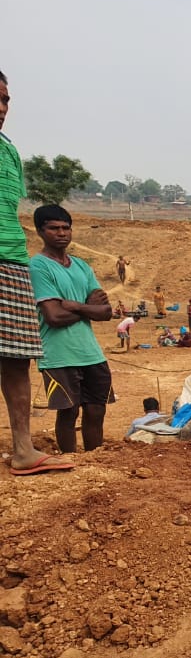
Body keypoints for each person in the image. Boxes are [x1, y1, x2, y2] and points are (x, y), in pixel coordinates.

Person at [1, 70, 74, 475]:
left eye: (6, 99)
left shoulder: (9, 152)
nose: (1, 108)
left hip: (9, 257)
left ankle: (23, 449)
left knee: (15, 356)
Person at [28, 205, 114, 454]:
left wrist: (75, 305)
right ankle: (71, 461)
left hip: (90, 351)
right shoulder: (38, 266)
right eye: (54, 228)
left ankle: (94, 459)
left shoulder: (81, 266)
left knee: (97, 409)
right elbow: (53, 316)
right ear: (40, 231)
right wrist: (88, 308)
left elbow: (106, 313)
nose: (61, 233)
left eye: (66, 227)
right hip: (58, 353)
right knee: (68, 411)